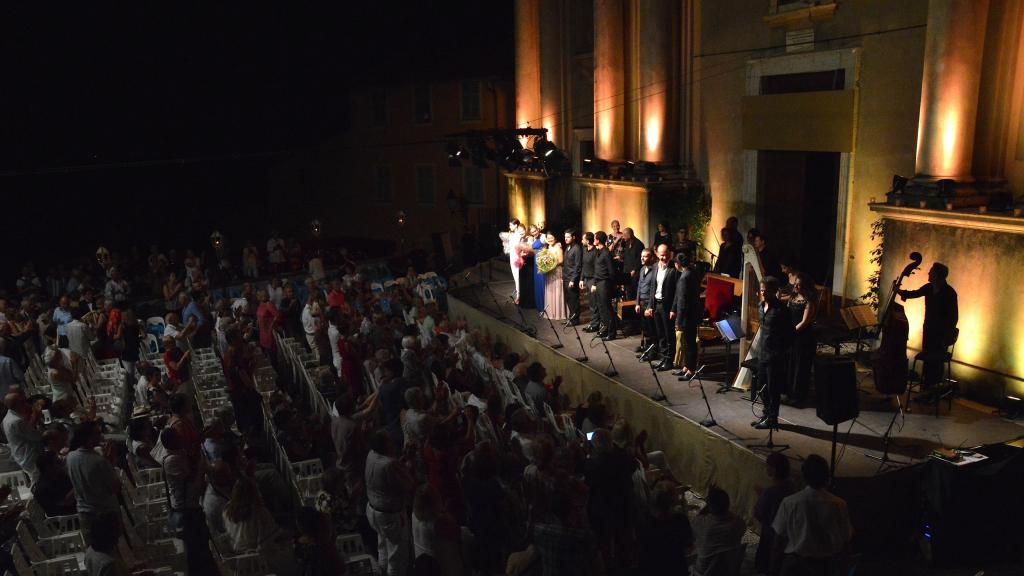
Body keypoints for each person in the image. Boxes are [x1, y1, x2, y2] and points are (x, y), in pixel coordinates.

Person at [771, 454, 852, 576]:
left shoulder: (790, 502)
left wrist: (773, 569)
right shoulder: (839, 504)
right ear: (826, 476)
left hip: (795, 566)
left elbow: (778, 539)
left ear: (804, 476)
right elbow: (846, 540)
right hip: (825, 567)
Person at [162, 427, 219, 574]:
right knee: (195, 552)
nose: (181, 438)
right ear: (171, 441)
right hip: (185, 512)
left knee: (203, 546)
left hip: (193, 507)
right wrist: (196, 450)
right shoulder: (171, 460)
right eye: (178, 437)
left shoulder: (180, 453)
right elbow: (190, 477)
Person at [898, 262, 958, 389]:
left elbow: (953, 318)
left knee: (936, 363)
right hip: (929, 330)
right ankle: (926, 388)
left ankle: (933, 390)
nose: (929, 273)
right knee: (928, 360)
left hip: (940, 335)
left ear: (937, 275)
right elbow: (915, 293)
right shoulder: (929, 288)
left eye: (931, 272)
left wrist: (945, 336)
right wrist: (899, 291)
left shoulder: (950, 293)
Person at [365, 428, 414, 576]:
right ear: (385, 445)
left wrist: (403, 458)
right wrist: (409, 462)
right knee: (397, 556)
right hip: (390, 516)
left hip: (374, 510)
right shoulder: (389, 464)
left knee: (383, 548)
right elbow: (408, 484)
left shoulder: (371, 455)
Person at [67, 420, 122, 546]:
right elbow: (115, 487)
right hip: (104, 513)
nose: (101, 436)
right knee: (110, 550)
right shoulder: (98, 461)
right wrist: (110, 463)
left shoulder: (70, 457)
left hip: (84, 512)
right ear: (89, 438)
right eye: (97, 433)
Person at [754, 276, 794, 430]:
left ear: (774, 291)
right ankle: (765, 415)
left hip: (775, 357)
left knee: (773, 389)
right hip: (762, 354)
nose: (763, 293)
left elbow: (790, 334)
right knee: (761, 387)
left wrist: (779, 352)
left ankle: (772, 419)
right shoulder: (760, 306)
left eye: (766, 291)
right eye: (762, 290)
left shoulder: (782, 310)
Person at [638, 481, 694, 574]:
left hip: (651, 569)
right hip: (675, 568)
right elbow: (689, 547)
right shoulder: (680, 520)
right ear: (673, 500)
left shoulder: (644, 519)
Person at [753, 452, 796, 574]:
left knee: (769, 566)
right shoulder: (791, 488)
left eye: (768, 467)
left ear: (773, 470)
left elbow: (758, 514)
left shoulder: (771, 493)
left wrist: (761, 497)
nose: (766, 469)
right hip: (788, 539)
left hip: (770, 536)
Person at [690, 486, 746, 574]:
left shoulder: (701, 523)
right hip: (729, 570)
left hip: (704, 571)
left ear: (709, 506)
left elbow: (691, 538)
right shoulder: (739, 523)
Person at [786, 272, 818, 406]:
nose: (796, 287)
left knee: (801, 367)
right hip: (793, 335)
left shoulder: (809, 302)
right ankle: (790, 393)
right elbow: (788, 314)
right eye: (796, 284)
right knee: (791, 364)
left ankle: (799, 397)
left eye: (799, 285)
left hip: (804, 338)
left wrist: (791, 333)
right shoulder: (793, 298)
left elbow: (804, 322)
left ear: (806, 287)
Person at [645, 244, 679, 369]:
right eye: (661, 255)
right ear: (657, 254)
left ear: (669, 254)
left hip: (667, 306)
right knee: (660, 334)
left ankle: (669, 360)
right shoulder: (655, 267)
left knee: (669, 334)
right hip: (656, 304)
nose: (663, 257)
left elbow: (677, 291)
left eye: (665, 255)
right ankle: (663, 358)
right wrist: (649, 306)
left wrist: (674, 309)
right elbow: (652, 288)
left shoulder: (674, 269)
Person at [673, 252, 705, 379]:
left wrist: (678, 321)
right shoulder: (692, 272)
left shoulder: (684, 277)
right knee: (687, 342)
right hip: (693, 313)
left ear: (677, 264)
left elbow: (682, 302)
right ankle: (686, 366)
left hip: (687, 315)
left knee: (689, 343)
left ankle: (691, 370)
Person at [2, 392, 43, 483]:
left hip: (22, 455)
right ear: (17, 404)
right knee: (38, 479)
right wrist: (36, 416)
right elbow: (36, 436)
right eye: (22, 402)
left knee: (35, 478)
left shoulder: (8, 417)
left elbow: (27, 430)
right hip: (28, 455)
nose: (26, 404)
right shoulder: (16, 421)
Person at [592, 231, 617, 340]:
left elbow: (611, 271)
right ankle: (605, 329)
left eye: (594, 238)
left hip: (605, 283)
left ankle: (612, 333)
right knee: (601, 308)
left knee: (607, 308)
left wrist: (612, 285)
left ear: (598, 240)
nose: (593, 240)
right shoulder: (599, 252)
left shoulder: (606, 253)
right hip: (599, 282)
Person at [634, 249, 655, 356]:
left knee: (651, 329)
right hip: (641, 302)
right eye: (641, 256)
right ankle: (646, 348)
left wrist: (649, 306)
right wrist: (637, 303)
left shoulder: (654, 270)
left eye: (645, 256)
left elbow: (653, 290)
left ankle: (652, 351)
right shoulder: (642, 269)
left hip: (648, 303)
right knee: (645, 328)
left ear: (651, 258)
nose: (642, 258)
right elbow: (639, 287)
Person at [541, 231, 566, 320]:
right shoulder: (548, 247)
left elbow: (561, 260)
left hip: (556, 271)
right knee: (550, 290)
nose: (550, 240)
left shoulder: (558, 247)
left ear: (555, 238)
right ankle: (551, 311)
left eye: (552, 238)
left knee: (557, 290)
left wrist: (551, 264)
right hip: (550, 271)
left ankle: (558, 312)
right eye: (548, 238)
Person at [562, 229, 583, 326]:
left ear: (573, 237)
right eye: (565, 237)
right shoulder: (568, 247)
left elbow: (578, 266)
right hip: (566, 277)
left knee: (574, 299)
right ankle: (571, 318)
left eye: (568, 237)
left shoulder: (577, 248)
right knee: (569, 299)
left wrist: (573, 280)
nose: (566, 239)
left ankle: (575, 320)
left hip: (572, 279)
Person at [581, 232, 599, 332]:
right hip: (587, 279)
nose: (582, 241)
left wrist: (595, 283)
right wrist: (581, 279)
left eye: (583, 239)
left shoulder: (595, 252)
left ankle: (595, 324)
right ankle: (593, 323)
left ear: (587, 241)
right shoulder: (585, 250)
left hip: (593, 279)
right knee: (591, 303)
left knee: (594, 303)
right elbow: (584, 265)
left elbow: (597, 269)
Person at [531, 226, 546, 315]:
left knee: (542, 283)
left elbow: (550, 243)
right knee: (537, 284)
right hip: (535, 262)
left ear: (538, 230)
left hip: (542, 262)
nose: (534, 233)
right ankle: (539, 306)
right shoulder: (533, 238)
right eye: (532, 232)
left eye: (535, 231)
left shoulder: (543, 236)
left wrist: (558, 244)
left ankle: (544, 307)